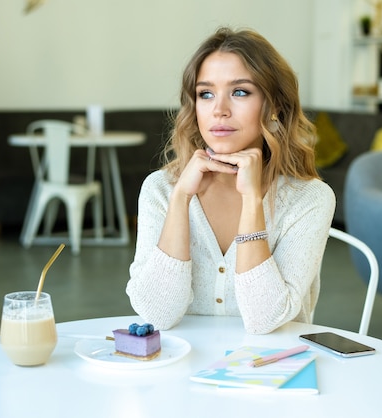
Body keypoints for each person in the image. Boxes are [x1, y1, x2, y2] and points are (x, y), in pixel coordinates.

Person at [126, 27, 335, 334]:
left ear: (274, 105)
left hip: (272, 372)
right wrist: (181, 198)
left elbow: (266, 319)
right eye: (206, 94)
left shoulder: (309, 198)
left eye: (240, 92)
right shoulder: (161, 189)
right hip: (183, 371)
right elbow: (157, 315)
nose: (219, 110)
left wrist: (252, 202)